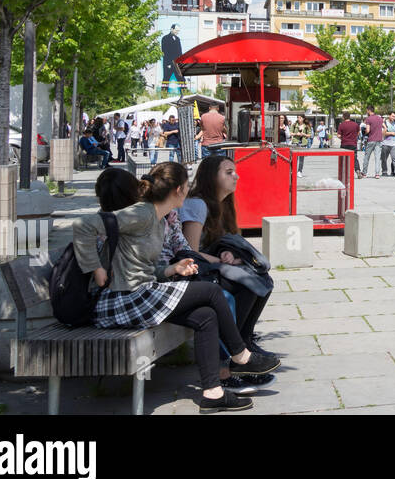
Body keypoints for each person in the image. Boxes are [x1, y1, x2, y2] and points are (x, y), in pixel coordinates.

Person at [72, 162, 279, 412]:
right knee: (212, 292)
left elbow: (142, 266)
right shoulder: (142, 213)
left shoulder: (160, 219)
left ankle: (213, 393)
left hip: (141, 293)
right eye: (187, 187)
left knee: (205, 316)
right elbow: (83, 226)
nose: (189, 191)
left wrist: (172, 269)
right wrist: (96, 268)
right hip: (124, 298)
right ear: (178, 190)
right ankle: (241, 356)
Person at [184, 155, 276, 357]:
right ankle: (235, 348)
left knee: (263, 279)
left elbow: (217, 242)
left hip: (210, 265)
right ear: (211, 177)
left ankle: (246, 339)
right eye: (228, 172)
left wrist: (227, 253)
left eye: (234, 171)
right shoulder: (197, 204)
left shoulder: (223, 204)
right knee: (246, 285)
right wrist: (218, 260)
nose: (236, 176)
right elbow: (189, 251)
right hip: (191, 270)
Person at [358, 108, 384, 178]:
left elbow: (368, 130)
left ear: (369, 110)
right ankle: (377, 174)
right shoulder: (380, 118)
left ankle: (364, 173)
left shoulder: (368, 119)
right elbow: (385, 127)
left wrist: (364, 132)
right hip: (379, 140)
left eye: (367, 110)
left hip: (371, 140)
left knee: (367, 157)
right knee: (377, 157)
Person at [382, 112, 395, 178]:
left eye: (394, 116)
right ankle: (384, 171)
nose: (394, 118)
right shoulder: (385, 123)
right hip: (386, 143)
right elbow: (383, 133)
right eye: (392, 116)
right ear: (389, 116)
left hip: (394, 144)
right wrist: (391, 133)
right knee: (384, 159)